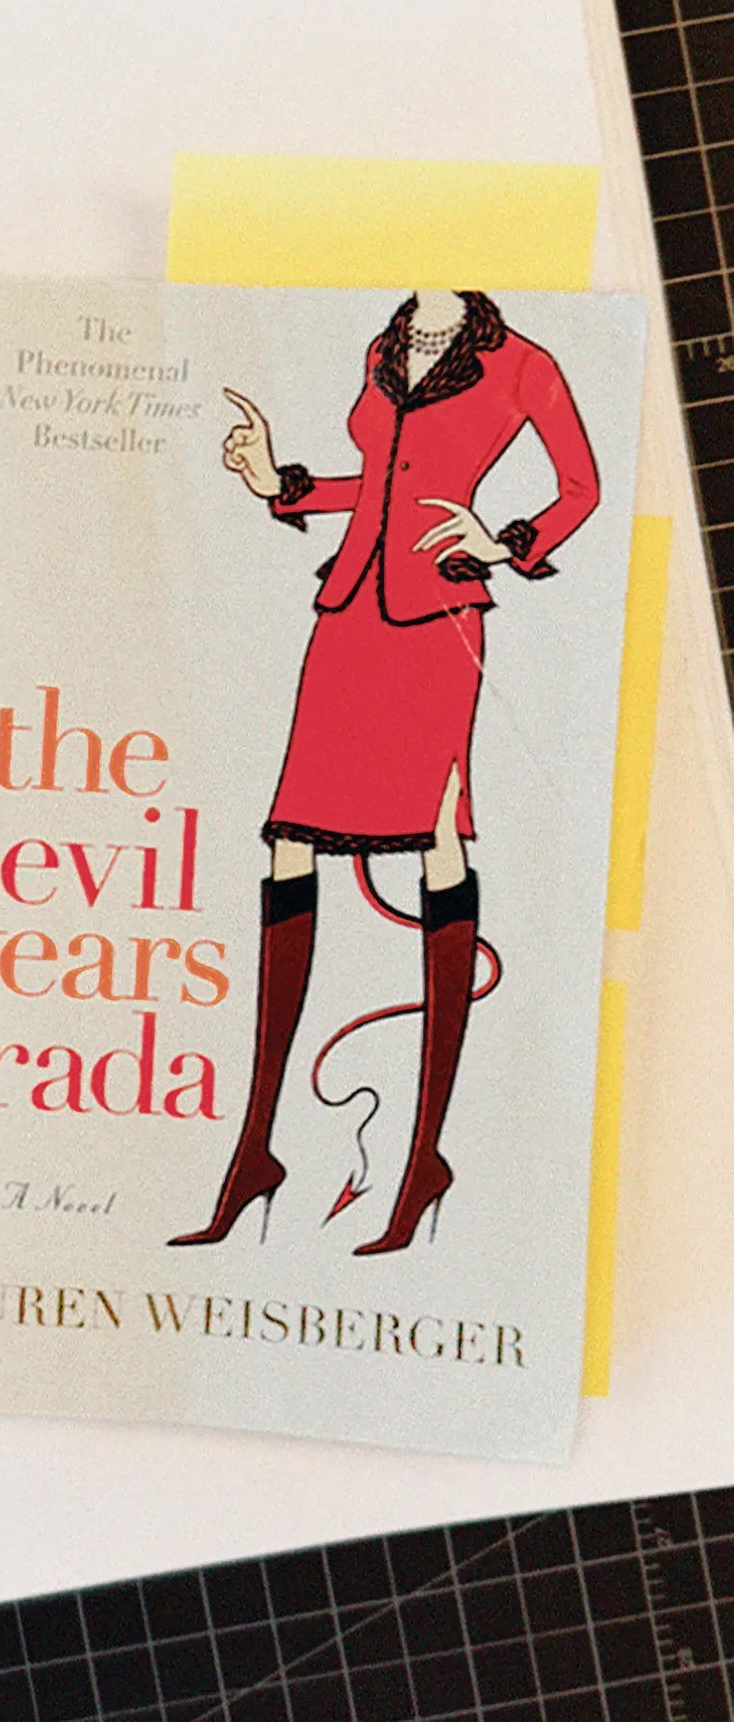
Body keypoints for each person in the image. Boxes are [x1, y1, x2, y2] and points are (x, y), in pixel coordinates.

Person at [167, 290, 600, 1255]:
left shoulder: (523, 362)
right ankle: (254, 1151)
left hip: (437, 619)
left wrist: (506, 541)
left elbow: (580, 488)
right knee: (288, 841)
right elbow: (377, 484)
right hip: (351, 613)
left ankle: (421, 1160)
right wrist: (278, 484)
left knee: (439, 840)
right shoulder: (385, 342)